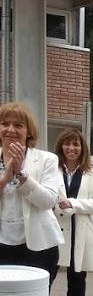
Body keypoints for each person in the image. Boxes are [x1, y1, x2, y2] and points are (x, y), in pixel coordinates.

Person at [52, 128, 93, 296]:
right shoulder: (51, 171)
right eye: (67, 144)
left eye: (76, 144)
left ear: (82, 148)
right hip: (54, 231)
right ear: (61, 147)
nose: (71, 148)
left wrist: (74, 204)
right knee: (47, 278)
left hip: (80, 233)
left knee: (76, 283)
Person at [0, 102, 63, 278]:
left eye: (18, 125)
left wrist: (21, 174)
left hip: (38, 246)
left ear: (29, 132)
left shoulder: (47, 159)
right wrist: (4, 180)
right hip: (2, 243)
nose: (10, 129)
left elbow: (49, 201)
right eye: (5, 124)